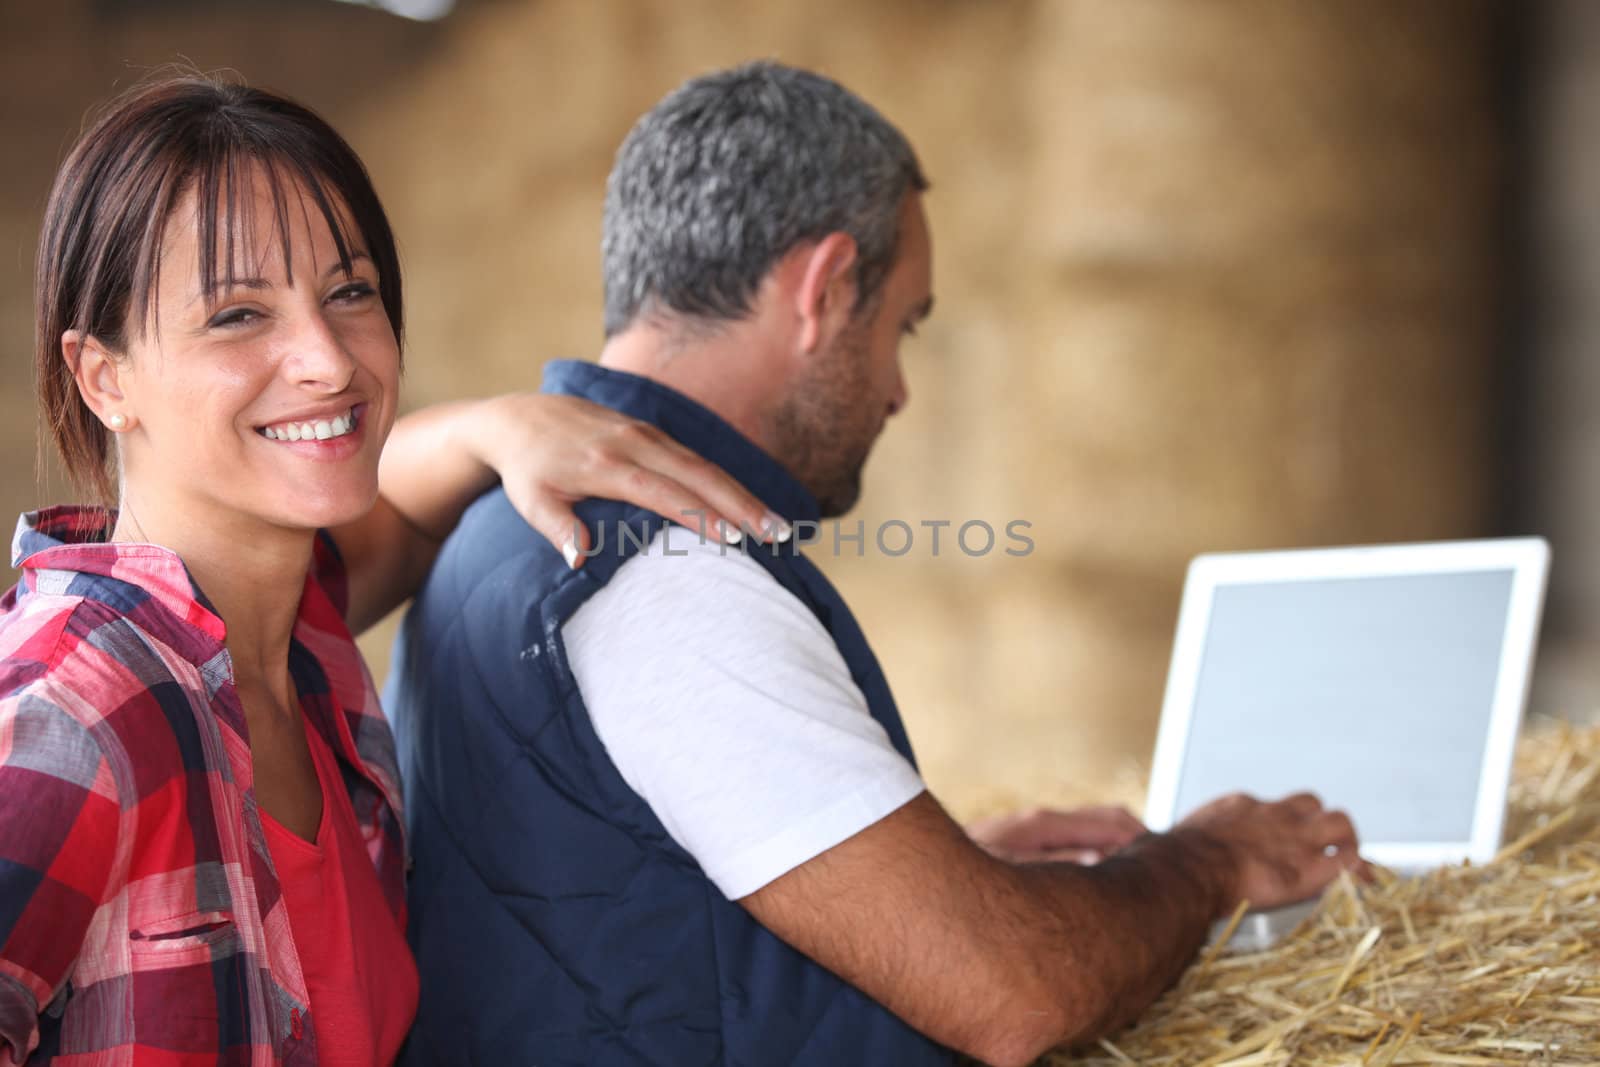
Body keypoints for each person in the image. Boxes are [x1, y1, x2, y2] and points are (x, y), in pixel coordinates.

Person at [389, 62, 1366, 1067]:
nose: (899, 391)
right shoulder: (661, 567)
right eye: (903, 324)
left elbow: (618, 900)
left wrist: (927, 874)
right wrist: (1208, 858)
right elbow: (1016, 992)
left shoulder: (507, 514)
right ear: (825, 287)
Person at [0, 74, 779, 1066]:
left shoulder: (298, 632)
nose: (329, 359)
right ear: (104, 376)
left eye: (350, 291)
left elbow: (398, 509)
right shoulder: (74, 713)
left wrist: (504, 422)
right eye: (238, 314)